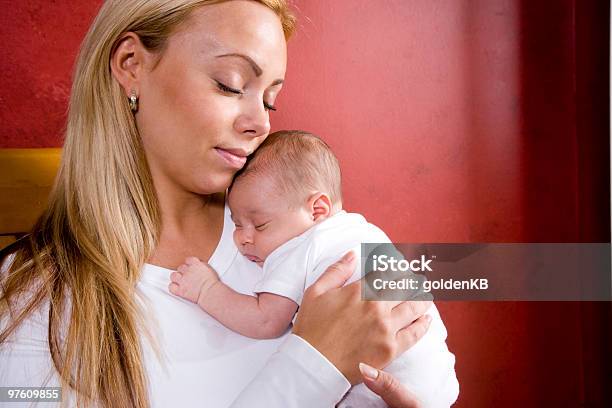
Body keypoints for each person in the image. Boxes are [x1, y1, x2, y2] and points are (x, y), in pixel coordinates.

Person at [0, 1, 459, 407]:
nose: (260, 123)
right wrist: (314, 365)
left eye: (271, 101)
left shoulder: (301, 234)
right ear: (130, 63)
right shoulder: (28, 304)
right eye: (230, 84)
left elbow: (422, 370)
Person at [169, 130, 458, 407]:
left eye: (259, 225)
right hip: (435, 375)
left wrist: (207, 289)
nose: (243, 238)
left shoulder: (302, 246)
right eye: (237, 224)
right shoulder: (363, 229)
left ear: (316, 210)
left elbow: (266, 320)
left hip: (379, 384)